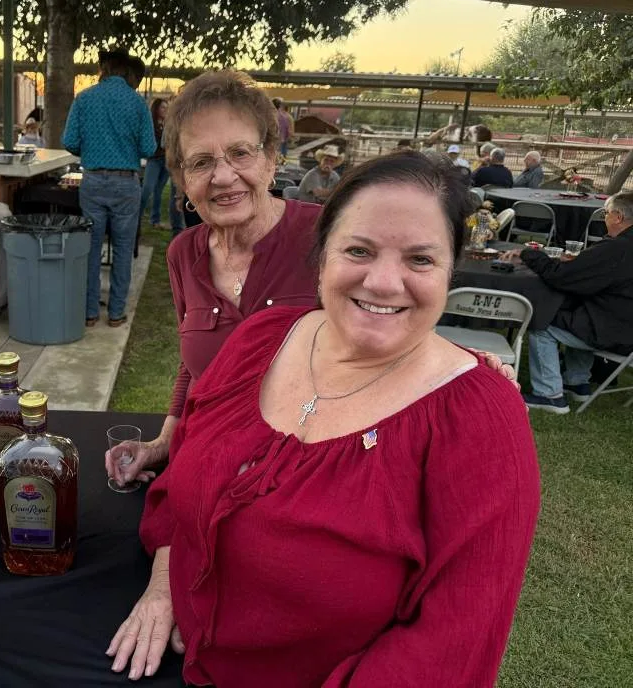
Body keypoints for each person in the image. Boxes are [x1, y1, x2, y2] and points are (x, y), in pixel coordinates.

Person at [108, 150, 541, 686]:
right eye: (359, 250)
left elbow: (451, 644)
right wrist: (163, 585)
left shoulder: (478, 420)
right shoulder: (260, 338)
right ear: (321, 257)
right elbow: (184, 478)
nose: (383, 282)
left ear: (451, 271)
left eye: (420, 260)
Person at [501, 192, 633, 413]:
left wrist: (529, 254)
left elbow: (562, 277)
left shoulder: (618, 248)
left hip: (616, 332)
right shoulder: (620, 247)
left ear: (618, 217)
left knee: (543, 322)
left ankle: (549, 394)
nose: (604, 219)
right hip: (621, 325)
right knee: (578, 316)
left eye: (606, 214)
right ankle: (577, 382)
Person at [63, 48, 156, 327]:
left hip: (92, 181)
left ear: (104, 69)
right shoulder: (137, 103)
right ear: (126, 71)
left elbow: (70, 141)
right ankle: (116, 313)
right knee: (124, 250)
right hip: (126, 183)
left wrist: (93, 149)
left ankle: (90, 312)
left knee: (91, 249)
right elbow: (149, 148)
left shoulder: (84, 98)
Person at [140, 98, 176, 230]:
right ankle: (137, 215)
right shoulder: (150, 124)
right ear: (156, 109)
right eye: (163, 107)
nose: (166, 110)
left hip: (166, 160)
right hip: (154, 160)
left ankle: (155, 219)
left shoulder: (169, 124)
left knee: (158, 191)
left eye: (167, 108)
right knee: (147, 188)